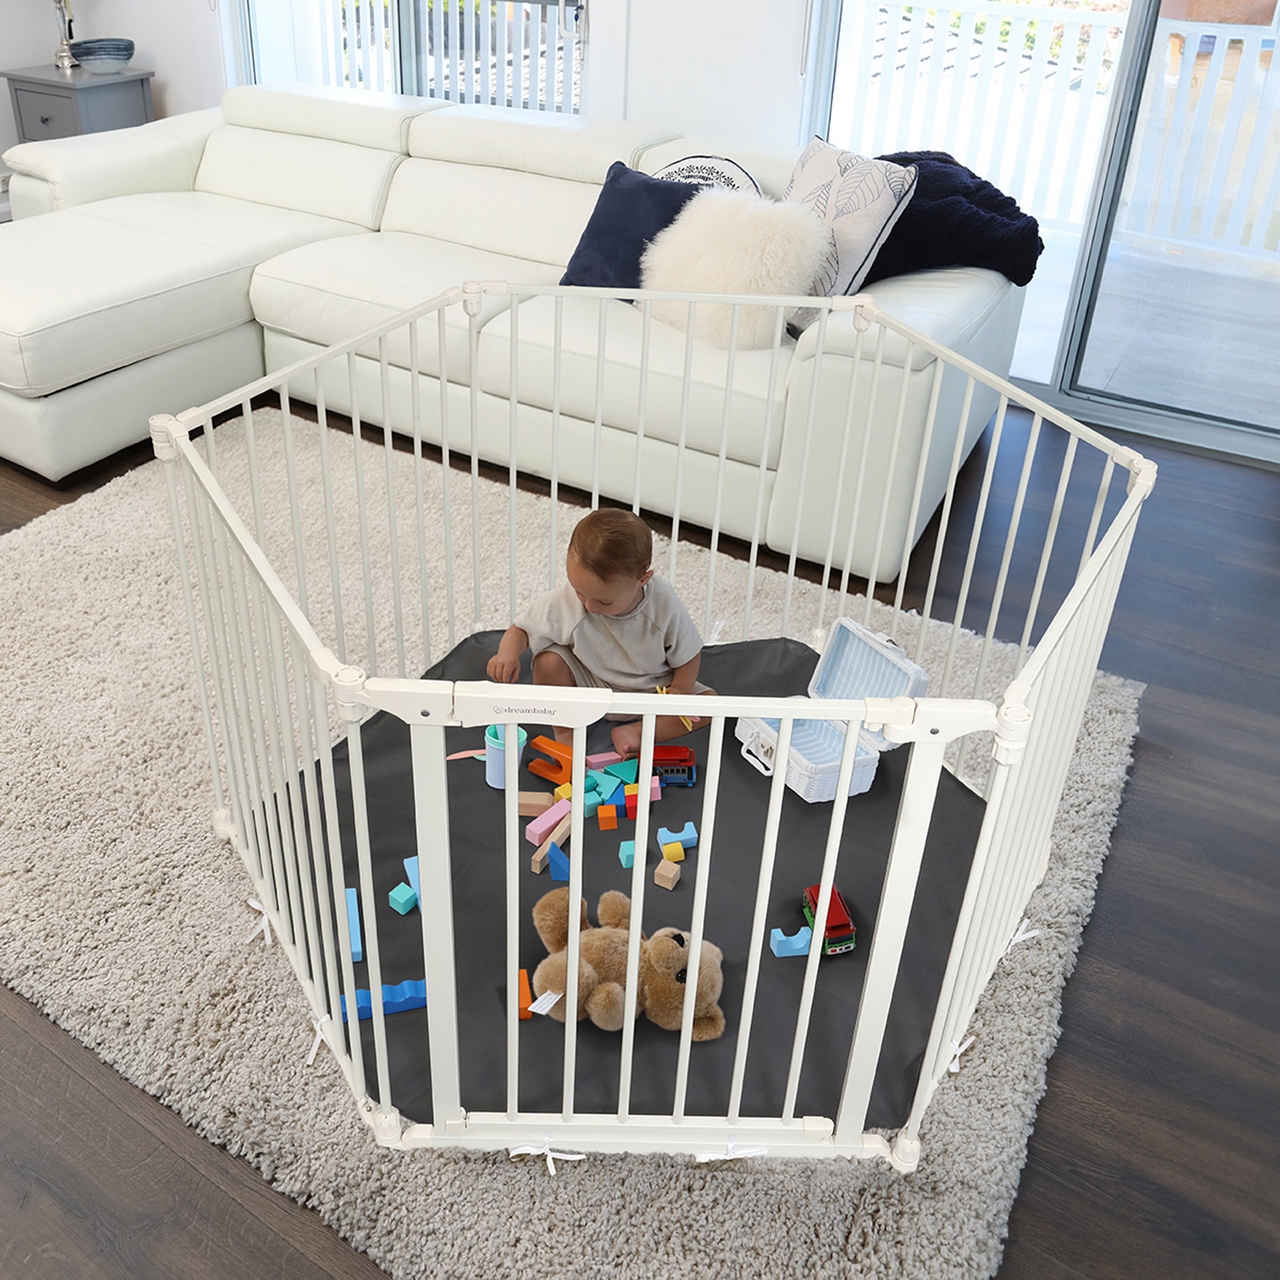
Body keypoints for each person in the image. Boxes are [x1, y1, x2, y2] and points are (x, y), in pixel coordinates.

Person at [487, 508, 712, 758]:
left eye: (605, 602)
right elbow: (522, 628)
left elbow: (690, 653)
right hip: (590, 684)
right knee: (547, 661)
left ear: (643, 580)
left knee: (710, 705)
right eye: (580, 591)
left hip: (652, 691)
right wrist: (507, 654)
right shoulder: (570, 600)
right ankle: (566, 732)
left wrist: (680, 690)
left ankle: (636, 732)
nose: (590, 606)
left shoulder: (663, 604)